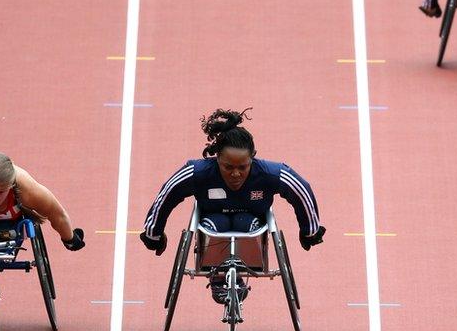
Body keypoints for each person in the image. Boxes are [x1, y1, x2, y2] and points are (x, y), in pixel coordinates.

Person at [139, 108, 325, 303]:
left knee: (246, 224)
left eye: (242, 167)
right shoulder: (198, 172)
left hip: (252, 222)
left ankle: (238, 273)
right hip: (212, 221)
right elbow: (168, 193)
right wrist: (154, 234)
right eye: (228, 167)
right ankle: (218, 276)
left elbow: (301, 190)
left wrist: (310, 231)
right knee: (215, 225)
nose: (235, 173)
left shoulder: (270, 173)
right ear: (217, 158)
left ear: (252, 157)